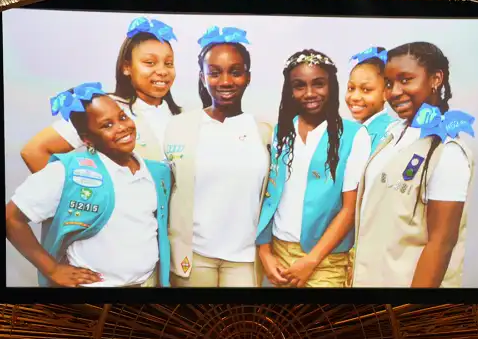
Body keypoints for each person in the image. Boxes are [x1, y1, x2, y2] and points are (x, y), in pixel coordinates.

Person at [7, 86, 173, 289]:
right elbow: (11, 219)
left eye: (122, 117)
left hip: (147, 283)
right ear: (87, 139)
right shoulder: (67, 171)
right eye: (107, 125)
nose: (122, 127)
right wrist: (52, 269)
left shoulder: (156, 173)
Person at [351, 42, 474, 289]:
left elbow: (441, 244)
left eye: (406, 80)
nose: (394, 92)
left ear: (436, 79)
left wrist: (410, 312)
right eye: (388, 83)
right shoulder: (391, 136)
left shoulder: (447, 151)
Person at [164, 26, 272, 288]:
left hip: (245, 260)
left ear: (247, 76)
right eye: (214, 72)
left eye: (235, 72)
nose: (225, 81)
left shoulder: (265, 132)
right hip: (193, 257)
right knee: (191, 326)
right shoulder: (179, 127)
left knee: (242, 328)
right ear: (202, 77)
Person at [256, 49, 370, 289]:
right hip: (279, 254)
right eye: (299, 85)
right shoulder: (282, 130)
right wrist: (264, 250)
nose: (309, 93)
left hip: (325, 260)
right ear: (289, 91)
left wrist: (311, 260)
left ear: (332, 87)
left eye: (319, 84)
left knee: (321, 325)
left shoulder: (354, 136)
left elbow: (349, 210)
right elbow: (271, 195)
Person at [20, 16, 180, 170]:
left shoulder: (181, 116)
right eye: (150, 63)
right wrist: (70, 193)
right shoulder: (107, 109)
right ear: (126, 67)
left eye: (168, 63)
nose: (162, 71)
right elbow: (34, 151)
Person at [345, 47, 397, 151]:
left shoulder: (392, 132)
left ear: (386, 92)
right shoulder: (348, 131)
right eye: (351, 88)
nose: (354, 97)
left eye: (366, 90)